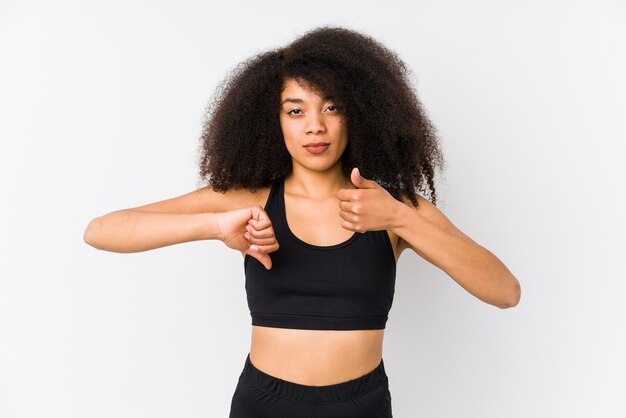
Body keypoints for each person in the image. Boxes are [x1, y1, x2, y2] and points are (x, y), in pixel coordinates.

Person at [84, 26, 521, 418]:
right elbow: (102, 231)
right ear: (270, 121)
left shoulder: (390, 207)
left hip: (362, 405)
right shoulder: (251, 197)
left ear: (359, 114)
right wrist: (217, 226)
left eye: (332, 108)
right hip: (264, 403)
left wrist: (399, 217)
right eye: (296, 111)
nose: (315, 126)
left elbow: (504, 291)